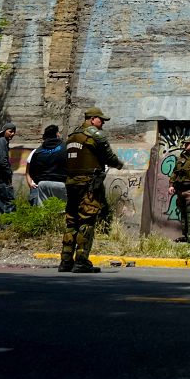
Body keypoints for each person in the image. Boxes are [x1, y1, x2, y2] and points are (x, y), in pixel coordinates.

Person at [60, 108, 123, 274]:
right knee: (86, 220)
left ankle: (66, 260)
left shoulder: (73, 135)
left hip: (71, 183)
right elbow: (109, 157)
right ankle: (81, 261)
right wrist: (119, 164)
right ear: (93, 119)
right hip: (88, 184)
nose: (102, 124)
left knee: (71, 219)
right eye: (101, 120)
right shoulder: (95, 135)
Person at [25, 124, 66, 206]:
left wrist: (39, 180)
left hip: (42, 184)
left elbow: (32, 170)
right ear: (57, 134)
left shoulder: (38, 151)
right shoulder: (65, 147)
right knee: (60, 210)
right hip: (61, 183)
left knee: (43, 212)